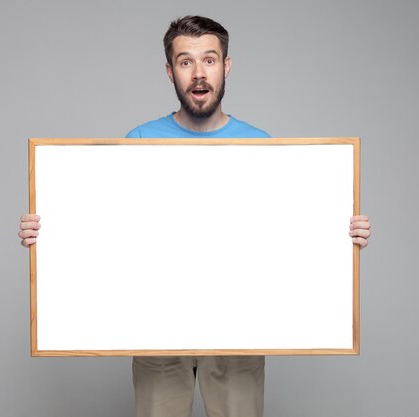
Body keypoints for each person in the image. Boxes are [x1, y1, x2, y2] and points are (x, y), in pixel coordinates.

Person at [19, 15, 372, 417]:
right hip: (156, 325)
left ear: (227, 66)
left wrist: (340, 233)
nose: (199, 74)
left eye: (210, 59)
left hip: (240, 325)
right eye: (186, 62)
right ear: (170, 71)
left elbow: (284, 236)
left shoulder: (261, 146)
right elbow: (110, 232)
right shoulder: (139, 141)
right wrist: (48, 232)